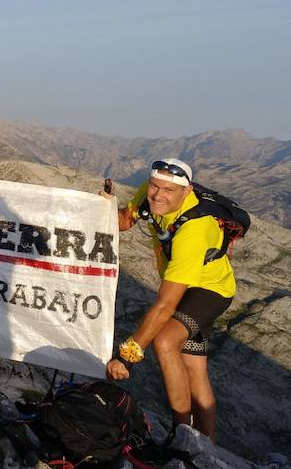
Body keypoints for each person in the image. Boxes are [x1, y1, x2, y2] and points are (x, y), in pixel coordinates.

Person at [103, 158, 235, 442]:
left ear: (186, 193)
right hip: (187, 284)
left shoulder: (194, 231)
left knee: (164, 342)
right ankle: (205, 446)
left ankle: (182, 435)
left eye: (168, 191)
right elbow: (125, 221)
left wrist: (126, 358)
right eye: (154, 187)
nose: (158, 196)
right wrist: (101, 210)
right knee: (193, 367)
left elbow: (165, 305)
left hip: (209, 289)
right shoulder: (150, 193)